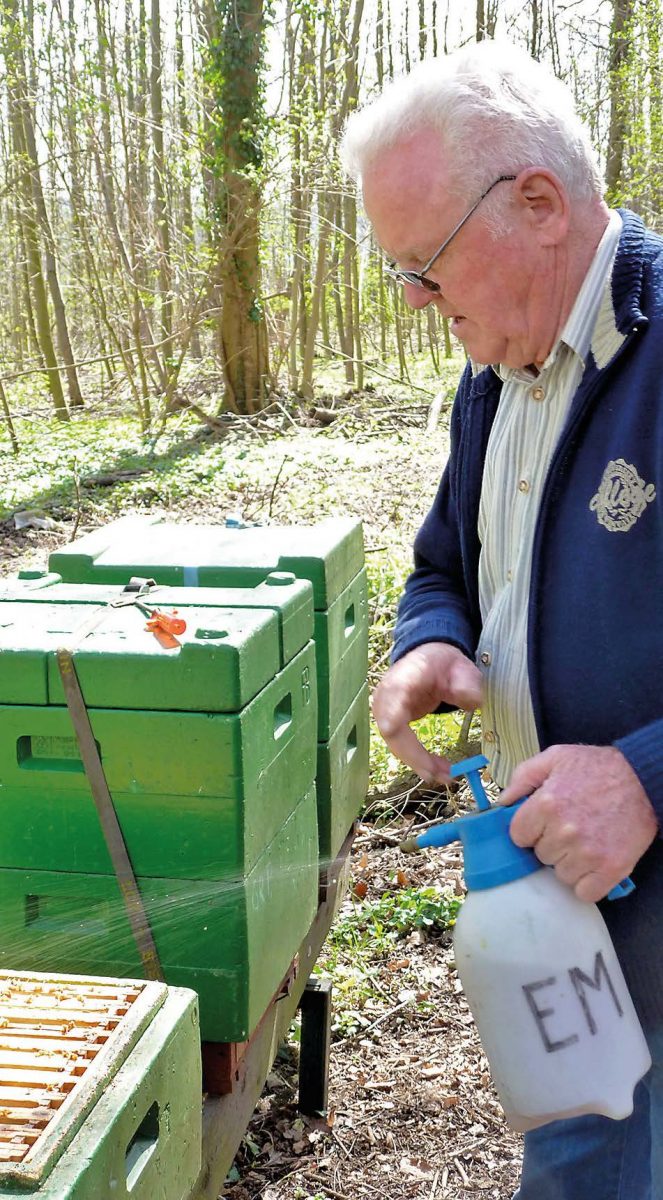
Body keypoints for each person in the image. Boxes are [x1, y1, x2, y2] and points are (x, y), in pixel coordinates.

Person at [340, 39, 663, 1200]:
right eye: (399, 275)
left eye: (424, 263)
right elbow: (444, 564)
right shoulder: (495, 376)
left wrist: (647, 779)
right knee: (580, 1155)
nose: (418, 301)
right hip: (552, 909)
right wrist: (429, 636)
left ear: (537, 202)